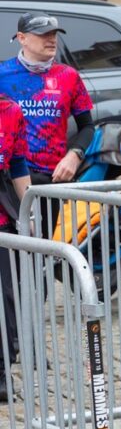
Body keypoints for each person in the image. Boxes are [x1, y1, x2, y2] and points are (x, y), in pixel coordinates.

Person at [0, 11, 95, 234]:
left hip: (50, 177)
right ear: (22, 38)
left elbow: (87, 127)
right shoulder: (3, 74)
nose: (51, 40)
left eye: (53, 34)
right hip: (10, 178)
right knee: (14, 245)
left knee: (42, 244)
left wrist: (74, 155)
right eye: (43, 34)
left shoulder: (68, 75)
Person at [0, 94, 30, 403]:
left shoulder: (9, 111)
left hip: (2, 219)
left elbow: (18, 164)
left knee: (6, 295)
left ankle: (2, 371)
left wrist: (29, 213)